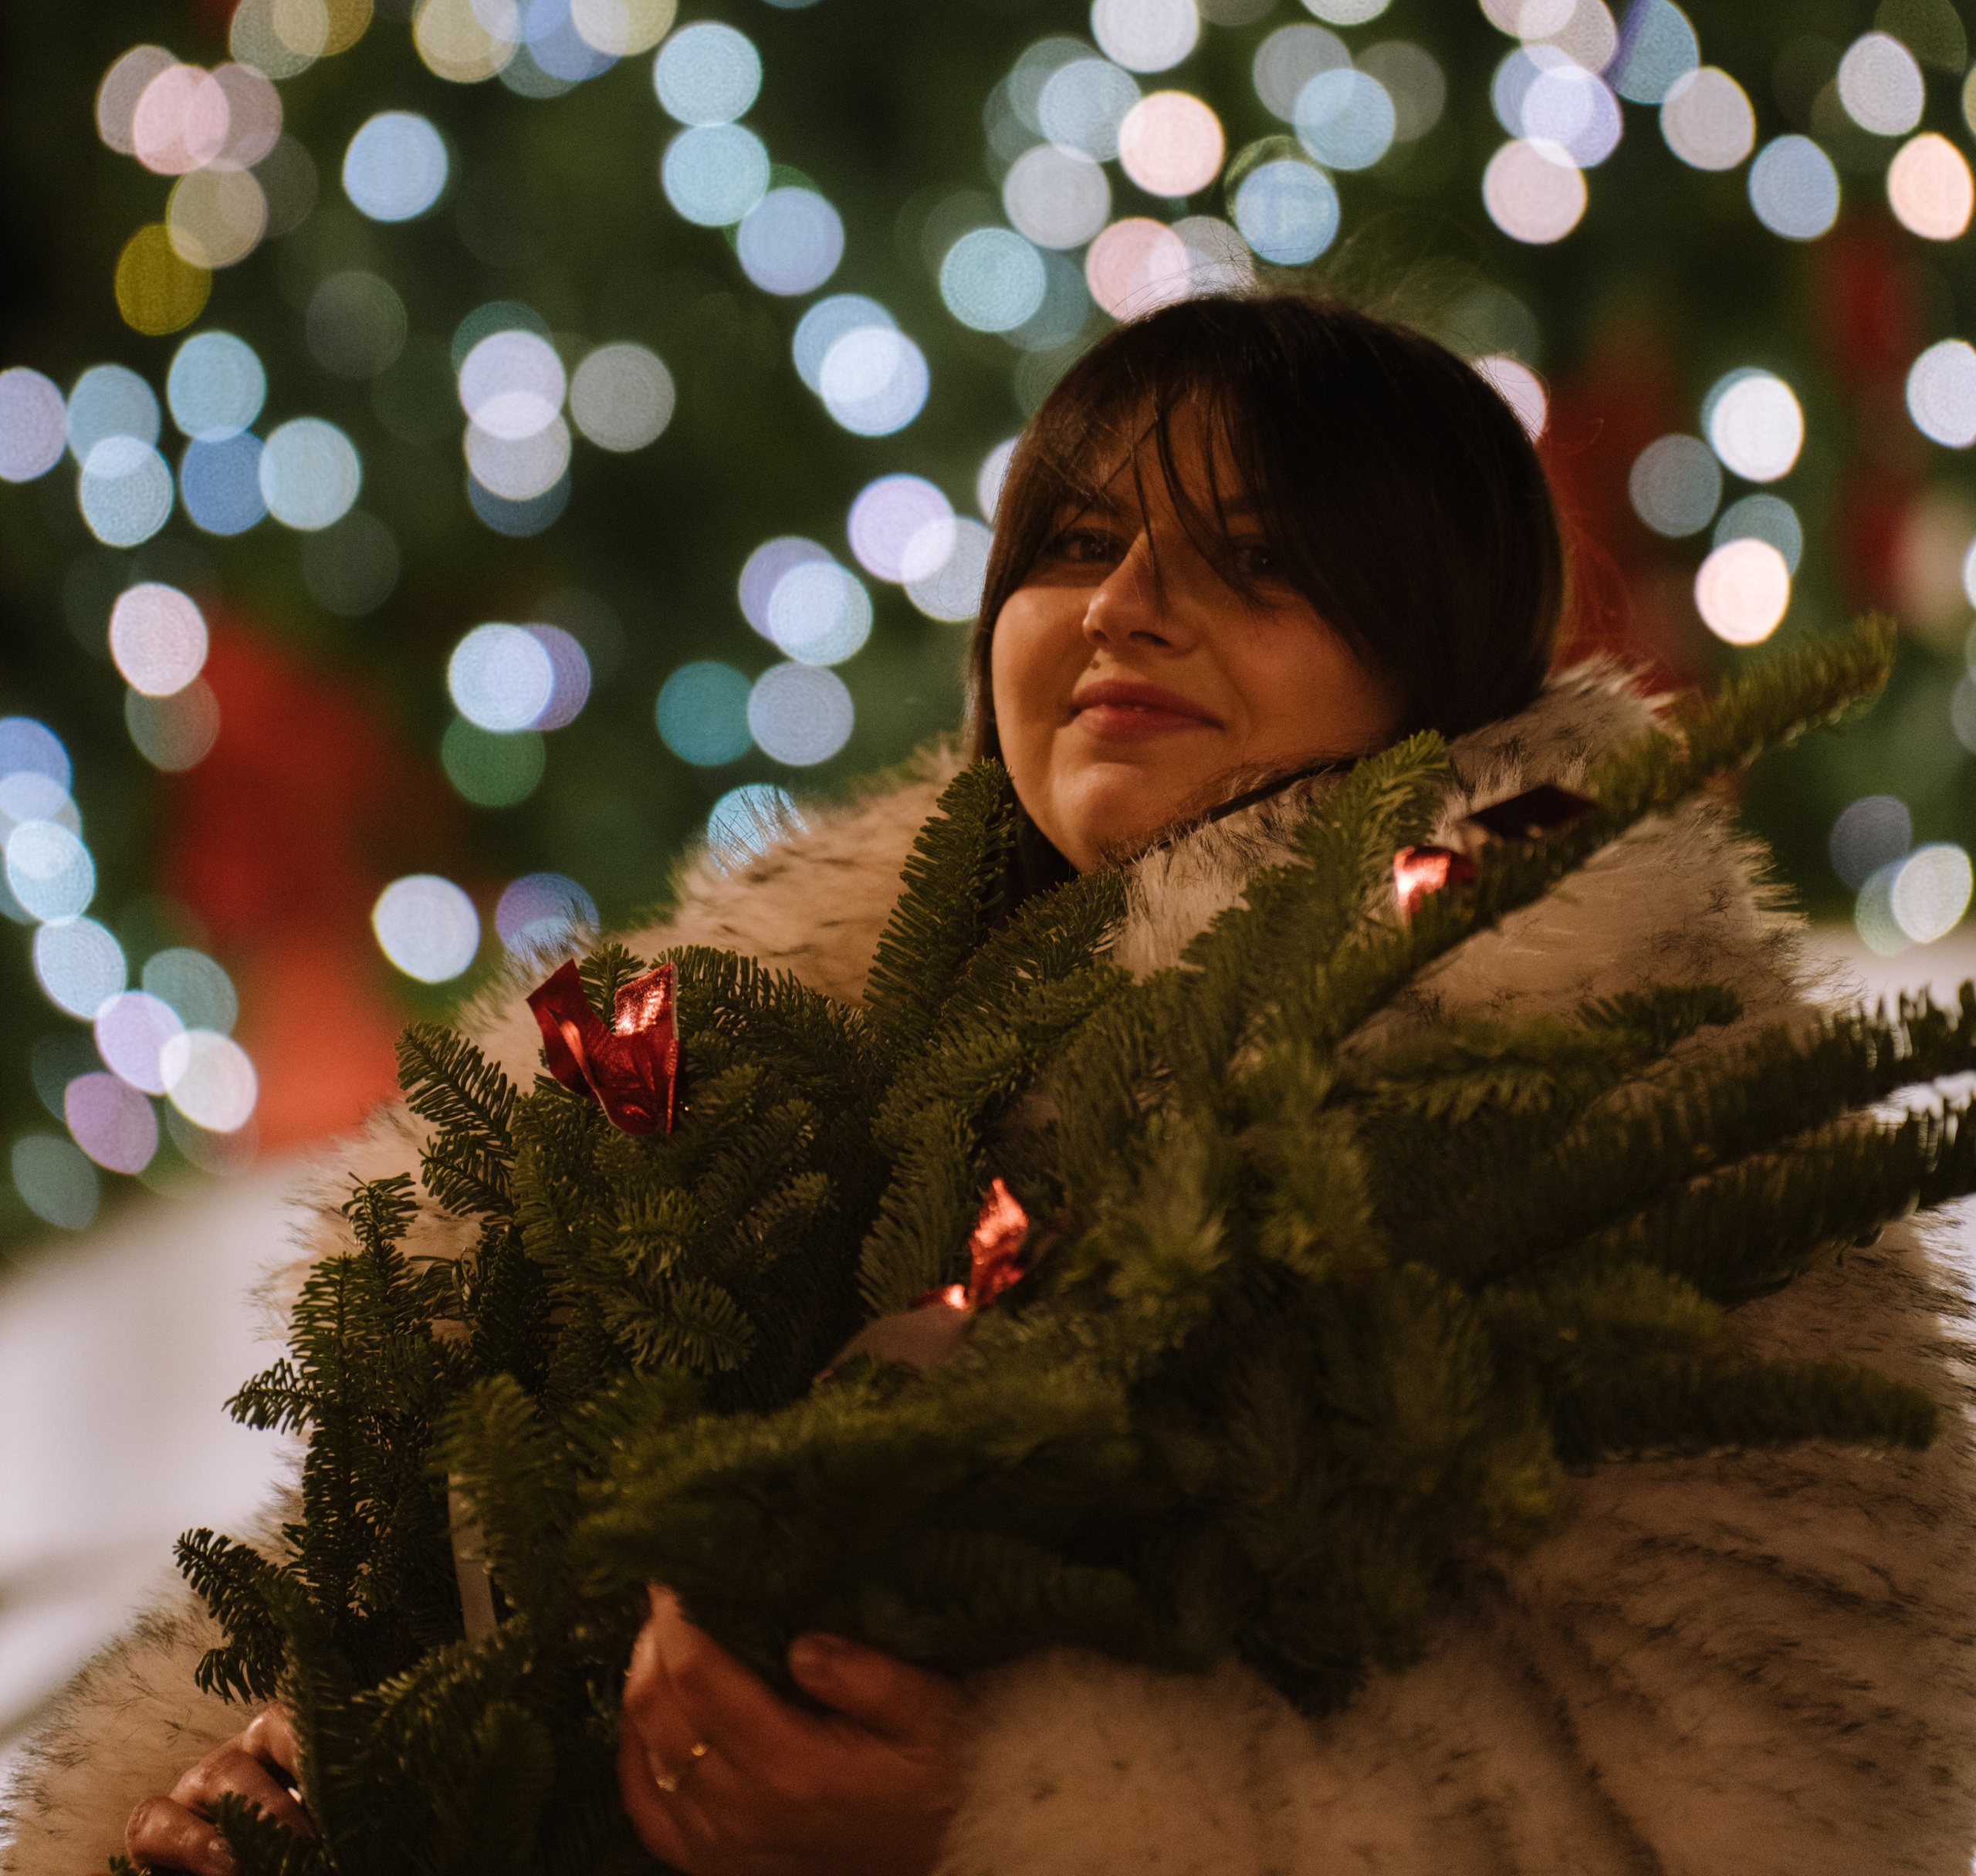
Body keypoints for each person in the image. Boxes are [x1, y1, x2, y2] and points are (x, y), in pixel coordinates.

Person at [14, 294, 1976, 1876]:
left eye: (1255, 563)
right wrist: (253, 1787)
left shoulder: (1613, 1092)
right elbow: (370, 1586)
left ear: (1436, 656)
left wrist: (1010, 1815)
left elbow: (1763, 1792)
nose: (1126, 606)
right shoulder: (701, 1089)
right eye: (1079, 544)